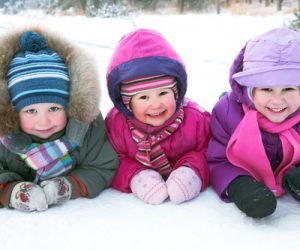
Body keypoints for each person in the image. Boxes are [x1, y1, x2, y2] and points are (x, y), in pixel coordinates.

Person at [0, 26, 119, 212]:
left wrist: (68, 186)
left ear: (70, 105)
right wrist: (11, 190)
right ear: (12, 112)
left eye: (54, 108)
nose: (44, 121)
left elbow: (101, 166)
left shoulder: (86, 129)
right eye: (31, 111)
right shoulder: (5, 137)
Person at [105, 28, 211, 205]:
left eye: (162, 93)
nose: (155, 105)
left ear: (176, 93)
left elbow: (210, 150)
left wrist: (192, 169)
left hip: (186, 172)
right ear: (126, 103)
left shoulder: (195, 119)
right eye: (143, 97)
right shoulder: (116, 124)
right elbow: (112, 159)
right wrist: (136, 175)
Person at [207, 28, 300, 218]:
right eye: (266, 89)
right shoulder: (227, 113)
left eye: (288, 88)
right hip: (244, 175)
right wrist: (238, 185)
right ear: (249, 90)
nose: (277, 100)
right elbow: (218, 159)